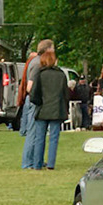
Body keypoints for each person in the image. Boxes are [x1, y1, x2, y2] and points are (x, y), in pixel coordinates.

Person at [23, 42, 68, 170]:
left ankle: (37, 164)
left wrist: (39, 103)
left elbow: (34, 94)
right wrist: (63, 107)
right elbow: (66, 94)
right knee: (53, 138)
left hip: (42, 109)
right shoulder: (61, 75)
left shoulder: (40, 74)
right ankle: (51, 164)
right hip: (56, 110)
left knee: (39, 138)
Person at [19, 41, 48, 140]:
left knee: (29, 122)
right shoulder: (38, 63)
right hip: (34, 98)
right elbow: (30, 85)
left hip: (31, 97)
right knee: (32, 130)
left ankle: (24, 132)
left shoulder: (34, 62)